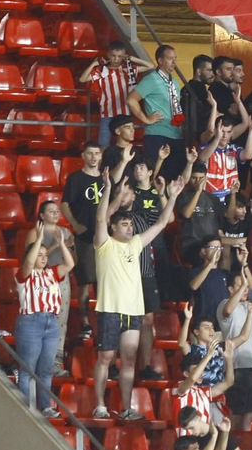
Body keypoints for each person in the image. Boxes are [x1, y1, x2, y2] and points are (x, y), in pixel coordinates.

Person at [94, 172, 183, 421]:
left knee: (129, 359)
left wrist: (172, 197)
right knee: (106, 357)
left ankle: (126, 408)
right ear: (113, 227)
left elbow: (161, 224)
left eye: (130, 225)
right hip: (110, 308)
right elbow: (100, 218)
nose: (129, 228)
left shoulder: (135, 244)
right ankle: (100, 405)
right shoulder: (104, 244)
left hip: (133, 310)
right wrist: (108, 189)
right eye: (124, 224)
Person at [14, 216, 73, 415]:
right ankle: (27, 409)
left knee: (46, 370)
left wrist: (62, 244)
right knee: (28, 369)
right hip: (30, 322)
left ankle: (46, 406)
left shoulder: (52, 273)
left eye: (45, 255)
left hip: (51, 322)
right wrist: (39, 240)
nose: (43, 258)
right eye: (39, 255)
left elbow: (70, 264)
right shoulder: (24, 274)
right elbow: (29, 262)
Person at [127, 45, 187, 182]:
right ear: (160, 60)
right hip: (157, 134)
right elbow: (131, 100)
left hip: (176, 134)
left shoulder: (174, 82)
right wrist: (146, 119)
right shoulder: (152, 79)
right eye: (170, 58)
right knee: (156, 176)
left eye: (175, 58)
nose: (174, 62)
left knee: (175, 177)